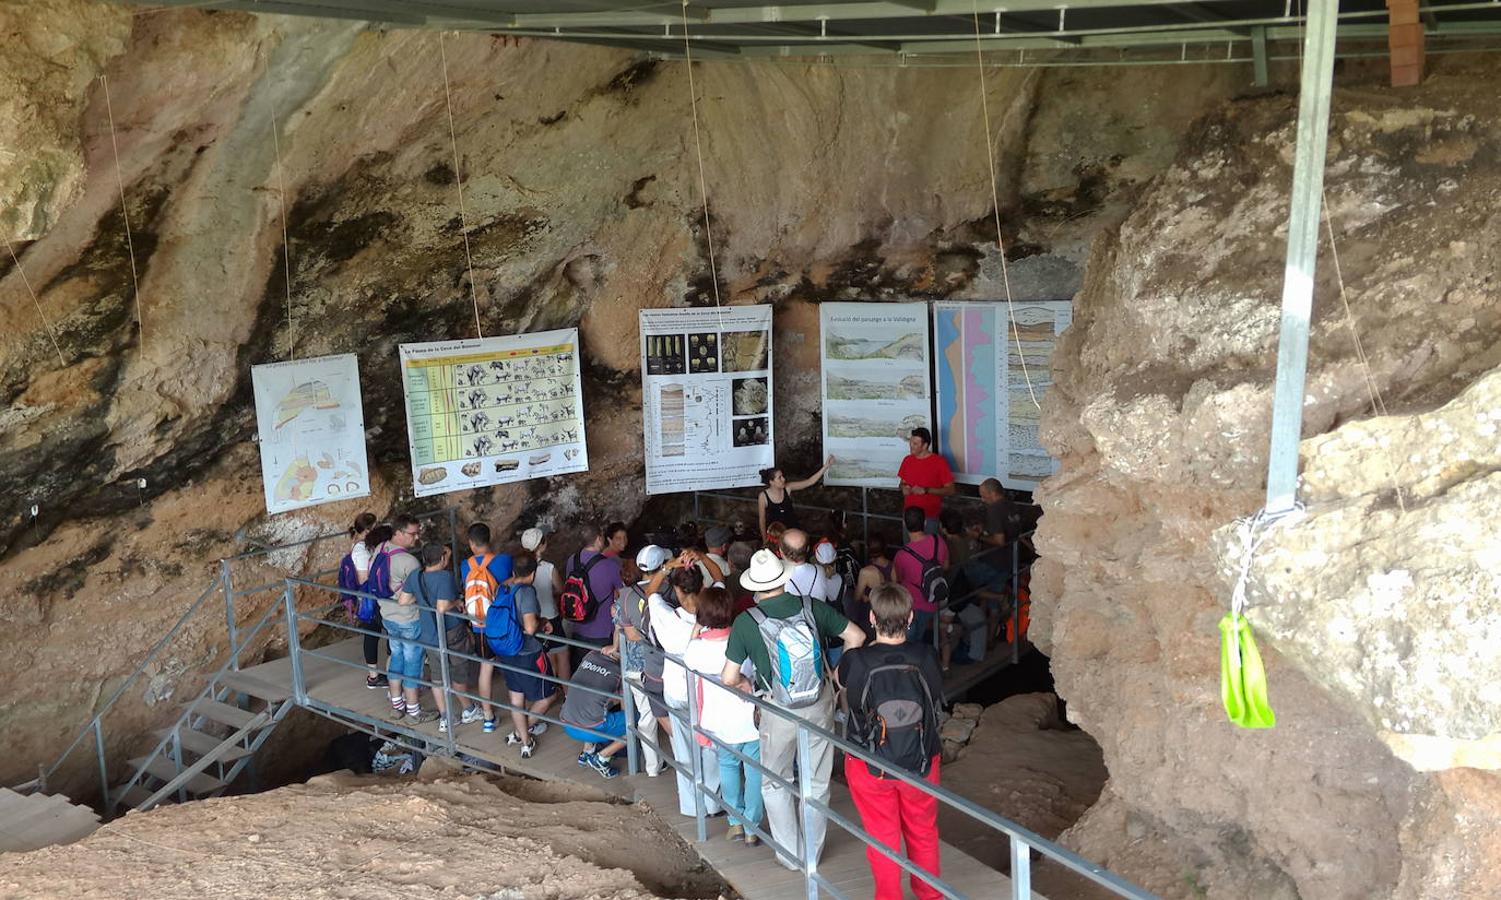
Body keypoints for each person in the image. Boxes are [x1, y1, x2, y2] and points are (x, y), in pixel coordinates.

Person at [721, 549, 866, 870]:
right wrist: (838, 678)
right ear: (783, 579)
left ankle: (790, 855)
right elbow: (856, 635)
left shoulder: (747, 622)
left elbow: (728, 677)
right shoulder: (810, 607)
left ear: (755, 586)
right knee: (816, 782)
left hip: (777, 708)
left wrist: (747, 682)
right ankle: (812, 855)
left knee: (775, 781)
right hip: (819, 702)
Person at [836, 583, 946, 900]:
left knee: (882, 837)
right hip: (922, 759)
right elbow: (936, 696)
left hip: (869, 763)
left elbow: (839, 683)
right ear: (910, 617)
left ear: (872, 618)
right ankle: (930, 895)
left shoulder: (856, 661)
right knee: (923, 832)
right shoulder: (927, 656)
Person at [683, 586, 762, 845]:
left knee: (727, 766)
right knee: (754, 772)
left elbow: (688, 657)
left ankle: (735, 822)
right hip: (748, 718)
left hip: (720, 721)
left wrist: (696, 628)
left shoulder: (697, 649)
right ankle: (753, 826)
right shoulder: (742, 640)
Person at [650, 556, 724, 818]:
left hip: (677, 689)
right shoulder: (713, 611)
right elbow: (720, 578)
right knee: (710, 747)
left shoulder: (666, 617)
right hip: (707, 690)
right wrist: (701, 556)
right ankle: (714, 803)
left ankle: (692, 807)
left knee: (683, 748)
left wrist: (667, 567)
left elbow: (651, 592)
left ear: (678, 590)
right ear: (702, 586)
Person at [399, 542, 481, 733]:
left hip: (429, 634)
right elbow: (442, 607)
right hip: (450, 634)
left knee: (437, 678)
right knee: (458, 673)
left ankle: (446, 717)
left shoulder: (416, 575)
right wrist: (457, 601)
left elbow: (403, 601)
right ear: (442, 558)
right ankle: (468, 710)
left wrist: (420, 599)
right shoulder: (444, 577)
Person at [615, 545, 675, 777]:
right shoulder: (669, 590)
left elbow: (629, 635)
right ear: (662, 566)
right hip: (663, 664)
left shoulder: (626, 594)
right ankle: (684, 758)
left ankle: (652, 767)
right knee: (670, 714)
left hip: (634, 665)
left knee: (647, 717)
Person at [496, 553, 558, 759]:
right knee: (549, 695)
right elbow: (530, 628)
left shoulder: (503, 588)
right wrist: (543, 622)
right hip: (527, 652)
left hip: (506, 649)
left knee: (516, 699)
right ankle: (520, 733)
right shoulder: (527, 592)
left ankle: (525, 741)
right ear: (533, 574)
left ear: (513, 572)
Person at [461, 523, 513, 733]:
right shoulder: (504, 560)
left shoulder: (465, 565)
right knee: (513, 670)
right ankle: (523, 716)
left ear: (471, 543)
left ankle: (488, 718)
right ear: (489, 539)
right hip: (504, 624)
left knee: (486, 669)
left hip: (480, 626)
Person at [375, 514, 426, 721]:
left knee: (396, 657)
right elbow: (417, 594)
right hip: (408, 619)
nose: (416, 538)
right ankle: (414, 711)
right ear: (398, 532)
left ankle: (397, 705)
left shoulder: (379, 549)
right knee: (413, 662)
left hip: (387, 615)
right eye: (412, 534)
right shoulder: (409, 561)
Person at [560, 645, 626, 779]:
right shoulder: (620, 670)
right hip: (589, 727)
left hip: (567, 723)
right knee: (636, 724)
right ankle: (602, 757)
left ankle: (587, 752)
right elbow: (625, 704)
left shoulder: (590, 655)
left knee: (592, 705)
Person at [521, 527, 571, 695]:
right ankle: (567, 694)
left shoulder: (521, 568)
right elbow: (561, 588)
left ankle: (548, 693)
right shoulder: (549, 568)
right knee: (563, 657)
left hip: (531, 620)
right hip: (551, 616)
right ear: (542, 545)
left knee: (546, 658)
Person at [566, 523, 625, 665]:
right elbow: (623, 594)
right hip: (602, 630)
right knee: (601, 672)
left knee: (581, 670)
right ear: (599, 539)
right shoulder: (610, 565)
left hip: (577, 624)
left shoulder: (571, 561)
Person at [894, 506, 949, 644]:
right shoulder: (938, 541)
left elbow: (898, 580)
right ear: (925, 522)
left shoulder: (902, 555)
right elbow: (946, 566)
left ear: (905, 524)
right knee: (924, 636)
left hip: (912, 605)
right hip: (934, 600)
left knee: (911, 641)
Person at [346, 516, 388, 689]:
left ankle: (378, 675)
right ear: (368, 530)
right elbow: (364, 578)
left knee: (374, 633)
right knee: (372, 635)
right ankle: (374, 676)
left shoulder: (365, 546)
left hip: (371, 597)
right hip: (370, 599)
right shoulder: (361, 550)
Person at [757, 456, 834, 536]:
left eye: (783, 476)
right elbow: (762, 520)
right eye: (779, 478)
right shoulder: (763, 496)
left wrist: (826, 466)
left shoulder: (788, 488)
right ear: (771, 482)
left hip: (792, 530)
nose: (784, 479)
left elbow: (810, 482)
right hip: (775, 534)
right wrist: (765, 540)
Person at [897, 428, 954, 534]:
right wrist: (903, 487)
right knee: (909, 549)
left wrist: (927, 490)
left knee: (930, 549)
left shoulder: (939, 462)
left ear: (925, 445)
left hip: (930, 517)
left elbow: (950, 490)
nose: (911, 446)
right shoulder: (907, 460)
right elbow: (902, 483)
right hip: (909, 516)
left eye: (915, 444)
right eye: (911, 443)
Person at [850, 536, 893, 642]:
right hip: (887, 612)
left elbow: (856, 597)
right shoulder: (892, 566)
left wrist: (868, 598)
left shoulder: (866, 572)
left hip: (869, 615)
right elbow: (893, 591)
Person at [781, 528, 832, 604]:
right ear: (808, 549)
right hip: (817, 614)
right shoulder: (820, 571)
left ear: (780, 552)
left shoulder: (778, 577)